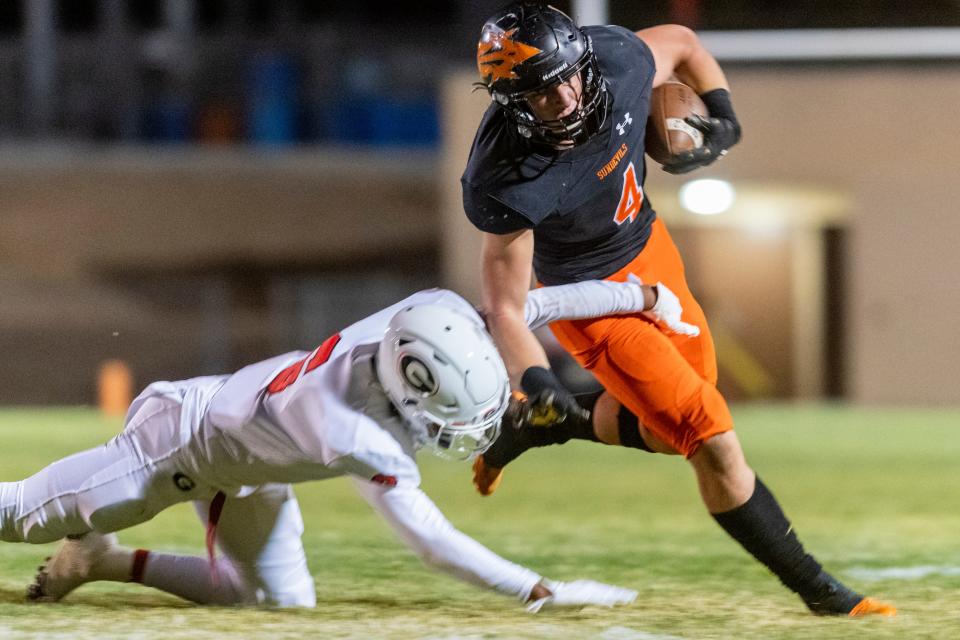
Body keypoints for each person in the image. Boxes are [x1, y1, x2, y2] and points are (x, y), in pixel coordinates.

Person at [461, 2, 895, 617]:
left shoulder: (616, 62)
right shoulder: (503, 174)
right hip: (591, 302)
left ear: (584, 60)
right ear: (509, 101)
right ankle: (821, 593)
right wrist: (534, 378)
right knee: (709, 436)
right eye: (536, 93)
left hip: (652, 254)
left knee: (673, 435)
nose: (560, 98)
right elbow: (504, 307)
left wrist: (723, 115)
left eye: (566, 77)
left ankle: (555, 425)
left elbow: (685, 42)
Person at [1, 279, 671, 610]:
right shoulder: (347, 428)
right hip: (169, 450)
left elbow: (532, 304)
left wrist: (643, 295)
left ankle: (97, 562)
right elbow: (432, 543)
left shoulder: (428, 319)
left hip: (250, 462)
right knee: (15, 516)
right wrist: (539, 590)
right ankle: (83, 538)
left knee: (273, 604)